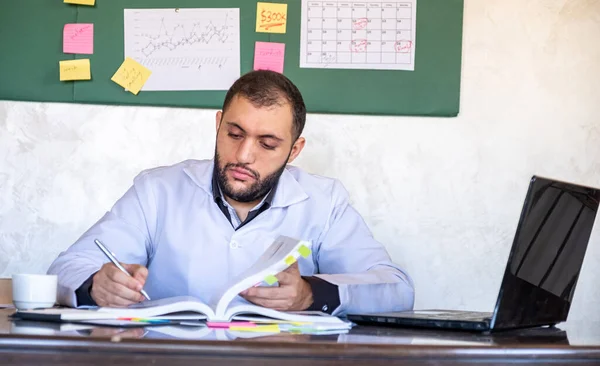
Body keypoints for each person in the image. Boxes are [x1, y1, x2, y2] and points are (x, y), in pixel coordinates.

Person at [47, 70, 414, 316]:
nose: (243, 156)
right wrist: (96, 286)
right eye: (234, 134)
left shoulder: (324, 201)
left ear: (294, 150)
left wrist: (310, 294)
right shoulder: (157, 190)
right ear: (218, 124)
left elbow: (395, 288)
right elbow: (65, 268)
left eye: (268, 143)